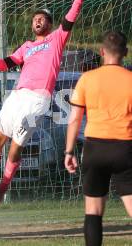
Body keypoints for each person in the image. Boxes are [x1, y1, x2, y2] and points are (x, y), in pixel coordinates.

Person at [0, 0, 86, 208]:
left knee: (15, 146)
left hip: (38, 100)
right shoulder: (26, 46)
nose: (37, 20)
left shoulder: (56, 39)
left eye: (42, 18)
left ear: (49, 24)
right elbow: (3, 66)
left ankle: (1, 192)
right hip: (17, 96)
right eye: (35, 19)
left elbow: (70, 18)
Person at [65, 31, 132, 246]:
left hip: (95, 149)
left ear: (102, 52)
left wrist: (68, 152)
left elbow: (75, 119)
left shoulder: (87, 79)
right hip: (125, 149)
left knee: (93, 211)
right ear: (126, 53)